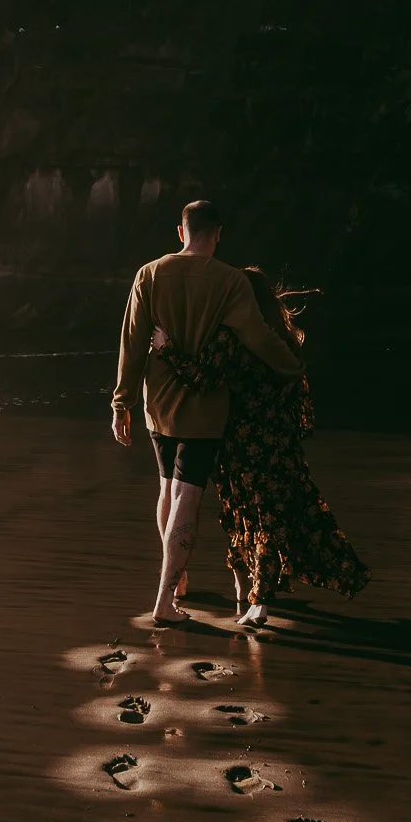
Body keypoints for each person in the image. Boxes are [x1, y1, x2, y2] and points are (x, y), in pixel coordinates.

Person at [112, 201, 303, 624]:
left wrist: (121, 402)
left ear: (180, 232)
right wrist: (293, 366)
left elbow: (132, 341)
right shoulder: (230, 281)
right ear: (216, 234)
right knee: (187, 496)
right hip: (204, 411)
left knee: (165, 492)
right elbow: (257, 336)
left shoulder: (149, 274)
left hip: (156, 406)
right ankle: (165, 600)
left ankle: (177, 580)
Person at [150, 267, 368, 626]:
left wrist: (167, 349)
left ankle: (257, 600)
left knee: (243, 520)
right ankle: (249, 596)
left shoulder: (233, 338)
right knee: (274, 518)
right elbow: (298, 392)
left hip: (240, 445)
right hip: (279, 445)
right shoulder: (283, 339)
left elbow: (203, 378)